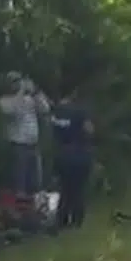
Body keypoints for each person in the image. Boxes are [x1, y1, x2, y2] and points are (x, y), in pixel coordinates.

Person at [0, 71, 51, 198]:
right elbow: (12, 111)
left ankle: (33, 202)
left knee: (35, 182)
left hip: (33, 145)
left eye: (19, 81)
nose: (18, 84)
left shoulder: (29, 99)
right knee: (19, 181)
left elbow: (45, 109)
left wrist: (36, 92)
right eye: (15, 82)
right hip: (18, 146)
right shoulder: (4, 101)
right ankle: (19, 202)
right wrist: (21, 91)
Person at [49, 86, 94, 229]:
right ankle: (76, 220)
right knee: (78, 190)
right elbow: (89, 130)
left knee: (64, 189)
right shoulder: (79, 110)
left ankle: (61, 220)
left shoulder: (57, 112)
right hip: (79, 153)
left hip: (62, 153)